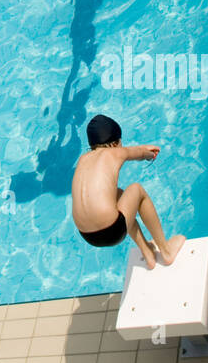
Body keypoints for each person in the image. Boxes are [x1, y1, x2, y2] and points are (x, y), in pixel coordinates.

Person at [71, 114, 185, 269]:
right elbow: (139, 153)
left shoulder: (82, 159)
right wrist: (150, 153)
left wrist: (141, 149)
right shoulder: (115, 152)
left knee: (118, 194)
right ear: (114, 144)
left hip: (87, 235)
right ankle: (166, 252)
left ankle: (148, 254)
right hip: (112, 230)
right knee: (136, 190)